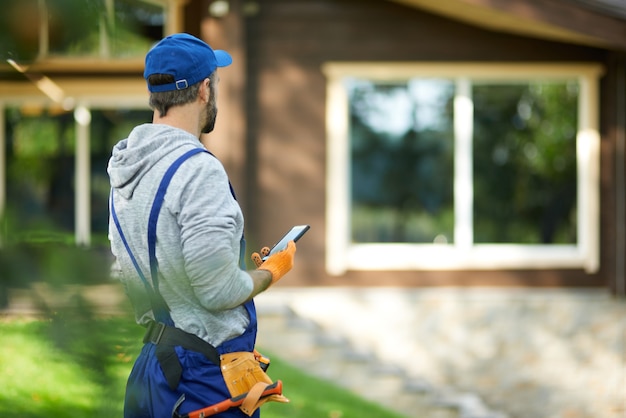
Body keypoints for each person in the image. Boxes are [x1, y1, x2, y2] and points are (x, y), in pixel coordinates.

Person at [107, 33, 295, 418]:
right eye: (217, 84)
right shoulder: (198, 169)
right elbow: (217, 290)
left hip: (152, 373)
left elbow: (126, 275)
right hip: (201, 380)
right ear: (205, 90)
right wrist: (269, 272)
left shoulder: (125, 171)